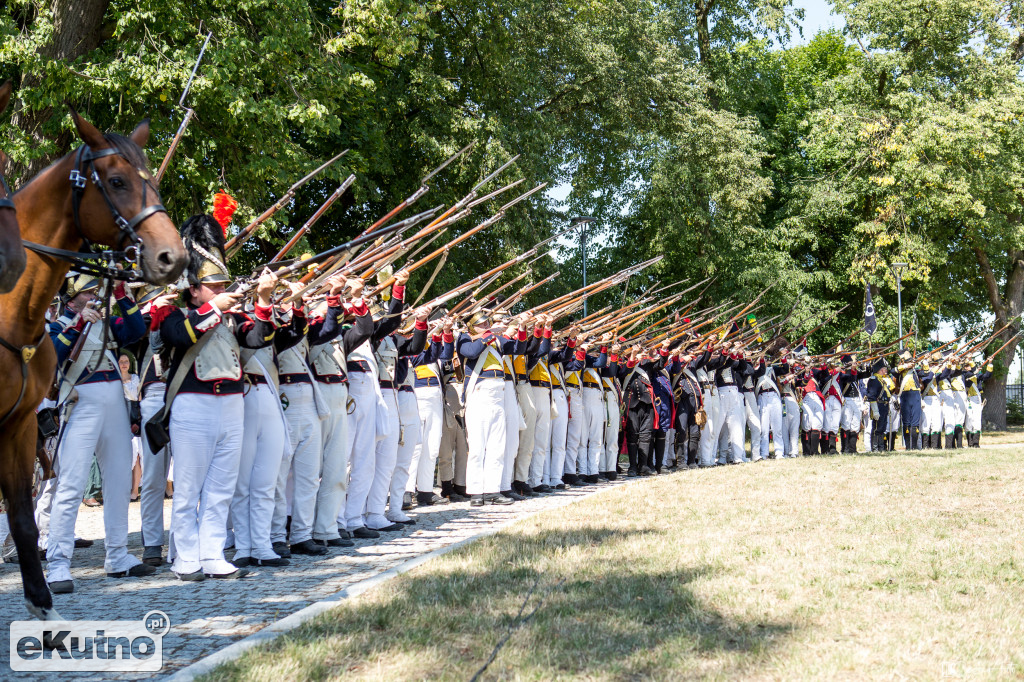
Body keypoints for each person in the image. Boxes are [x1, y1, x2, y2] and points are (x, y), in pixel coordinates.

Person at [158, 214, 277, 581]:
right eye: (214, 286)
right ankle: (185, 557)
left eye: (223, 285)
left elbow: (261, 338)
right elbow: (182, 337)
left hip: (232, 403)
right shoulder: (175, 315)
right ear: (194, 288)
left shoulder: (229, 318)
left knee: (221, 487)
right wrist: (215, 309)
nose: (222, 290)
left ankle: (212, 554)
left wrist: (263, 299)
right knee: (189, 487)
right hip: (193, 404)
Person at [46, 274, 151, 594]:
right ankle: (58, 561)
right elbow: (53, 356)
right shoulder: (57, 324)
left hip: (114, 404)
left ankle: (117, 555)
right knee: (72, 483)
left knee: (119, 481)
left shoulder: (105, 322)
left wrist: (121, 294)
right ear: (72, 296)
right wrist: (78, 323)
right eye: (89, 290)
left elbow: (136, 331)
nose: (95, 294)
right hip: (80, 403)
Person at [963, 359, 993, 447]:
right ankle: (970, 443)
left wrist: (990, 364)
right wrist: (975, 371)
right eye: (967, 365)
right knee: (968, 421)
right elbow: (969, 377)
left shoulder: (977, 375)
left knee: (977, 420)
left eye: (969, 365)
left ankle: (976, 443)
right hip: (967, 398)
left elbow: (987, 376)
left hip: (976, 398)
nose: (968, 367)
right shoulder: (963, 374)